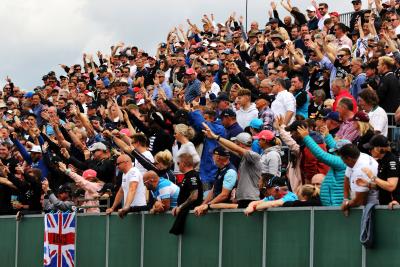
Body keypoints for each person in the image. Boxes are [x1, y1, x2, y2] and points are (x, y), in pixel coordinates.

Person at [202, 123, 262, 208]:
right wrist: (214, 138)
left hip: (250, 198)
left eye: (236, 142)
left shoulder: (253, 155)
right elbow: (230, 148)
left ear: (241, 144)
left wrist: (216, 136)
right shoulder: (245, 157)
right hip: (244, 198)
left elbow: (235, 148)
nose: (234, 144)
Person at [297, 125, 347, 206]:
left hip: (335, 207)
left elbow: (321, 155)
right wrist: (327, 136)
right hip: (335, 205)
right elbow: (336, 148)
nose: (334, 152)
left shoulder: (341, 162)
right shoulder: (343, 159)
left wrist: (307, 138)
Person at [193, 147, 237, 216]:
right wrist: (202, 205)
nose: (212, 158)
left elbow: (224, 195)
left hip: (227, 214)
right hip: (217, 210)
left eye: (213, 155)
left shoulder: (230, 171)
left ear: (217, 157)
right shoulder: (220, 169)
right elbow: (213, 190)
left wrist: (207, 205)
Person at [337, 144, 379, 216]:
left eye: (344, 161)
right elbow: (346, 178)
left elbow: (358, 201)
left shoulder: (360, 170)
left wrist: (346, 205)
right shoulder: (358, 156)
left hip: (371, 204)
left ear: (349, 159)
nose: (344, 163)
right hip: (362, 201)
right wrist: (345, 199)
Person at [361, 135, 400, 207]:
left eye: (371, 148)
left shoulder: (391, 161)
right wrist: (368, 185)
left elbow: (391, 186)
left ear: (378, 148)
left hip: (393, 205)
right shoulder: (382, 161)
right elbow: (383, 183)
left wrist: (372, 176)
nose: (369, 151)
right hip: (385, 203)